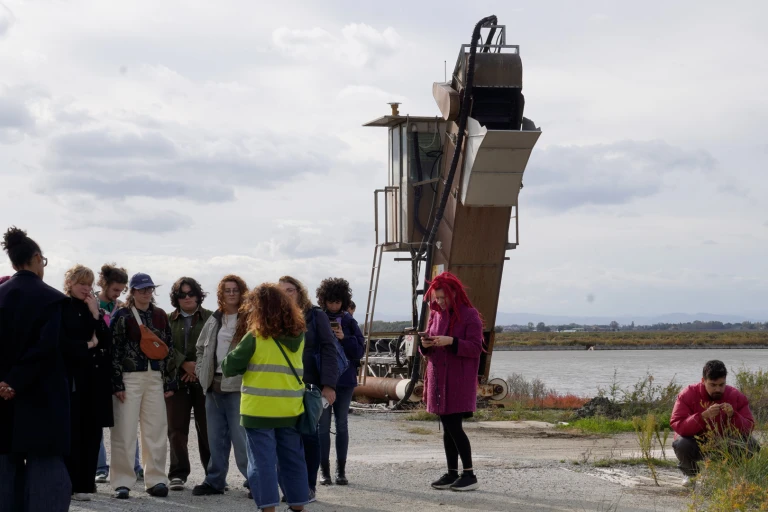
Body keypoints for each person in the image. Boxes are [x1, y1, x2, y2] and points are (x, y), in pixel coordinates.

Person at [0, 227, 71, 511]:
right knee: (46, 469)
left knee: (4, 467)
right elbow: (46, 348)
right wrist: (16, 381)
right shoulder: (52, 299)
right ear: (37, 258)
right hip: (43, 394)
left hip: (3, 397)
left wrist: (5, 382)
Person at [222, 283, 308, 512]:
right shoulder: (299, 335)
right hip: (290, 409)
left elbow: (229, 366)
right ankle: (298, 506)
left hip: (258, 410)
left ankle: (268, 508)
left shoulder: (255, 337)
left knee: (262, 462)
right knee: (292, 460)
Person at [110, 273, 176, 499]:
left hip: (155, 376)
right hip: (129, 378)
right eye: (141, 289)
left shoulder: (160, 315)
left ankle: (156, 480)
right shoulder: (122, 315)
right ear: (133, 291)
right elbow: (114, 350)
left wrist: (169, 381)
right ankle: (122, 482)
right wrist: (116, 383)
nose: (146, 292)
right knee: (124, 431)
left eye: (149, 288)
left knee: (156, 430)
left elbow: (169, 348)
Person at [419, 271, 483, 492]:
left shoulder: (470, 315)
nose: (439, 301)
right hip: (438, 379)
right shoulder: (435, 315)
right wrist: (424, 345)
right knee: (447, 427)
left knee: (454, 427)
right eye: (436, 298)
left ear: (454, 293)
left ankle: (469, 474)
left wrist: (451, 341)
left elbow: (476, 348)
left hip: (458, 381)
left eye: (443, 297)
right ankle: (452, 472)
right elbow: (428, 345)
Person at [278, 276, 339, 502]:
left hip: (310, 386)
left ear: (299, 291)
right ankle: (290, 487)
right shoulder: (274, 316)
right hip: (281, 386)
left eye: (290, 290)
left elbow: (329, 349)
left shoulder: (315, 315)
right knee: (284, 439)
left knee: (309, 436)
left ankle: (308, 486)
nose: (286, 294)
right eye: (281, 291)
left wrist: (329, 385)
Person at [193, 275, 250, 497]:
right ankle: (215, 481)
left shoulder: (249, 319)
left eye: (235, 289)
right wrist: (201, 372)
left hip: (238, 386)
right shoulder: (214, 319)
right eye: (227, 290)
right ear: (221, 294)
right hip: (213, 386)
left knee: (241, 439)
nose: (232, 293)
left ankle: (254, 481)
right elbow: (200, 348)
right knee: (215, 439)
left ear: (242, 292)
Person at [60, 265, 113, 501]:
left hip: (94, 379)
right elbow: (65, 342)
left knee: (92, 433)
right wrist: (88, 344)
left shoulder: (92, 307)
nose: (86, 288)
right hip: (72, 379)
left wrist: (95, 315)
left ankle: (86, 484)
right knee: (74, 433)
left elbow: (106, 341)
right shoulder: (62, 307)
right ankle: (71, 484)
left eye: (89, 284)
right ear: (70, 283)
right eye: (81, 283)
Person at [670, 360, 760, 487]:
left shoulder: (735, 396)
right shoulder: (688, 394)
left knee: (751, 443)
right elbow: (677, 424)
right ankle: (690, 474)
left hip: (725, 441)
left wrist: (733, 415)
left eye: (721, 385)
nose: (718, 389)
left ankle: (735, 475)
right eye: (713, 385)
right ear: (703, 381)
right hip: (697, 442)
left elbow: (749, 427)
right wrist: (702, 417)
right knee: (681, 443)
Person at [94, 263, 143, 484]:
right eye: (115, 290)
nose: (118, 294)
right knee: (96, 421)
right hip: (96, 369)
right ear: (104, 284)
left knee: (126, 420)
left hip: (119, 370)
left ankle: (134, 465)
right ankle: (100, 467)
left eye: (122, 290)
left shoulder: (122, 308)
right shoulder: (90, 303)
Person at [315, 278, 365, 486]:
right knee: (322, 426)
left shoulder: (349, 321)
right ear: (323, 300)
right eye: (330, 302)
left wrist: (344, 337)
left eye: (338, 302)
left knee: (342, 424)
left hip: (345, 381)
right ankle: (324, 471)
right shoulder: (317, 318)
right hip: (322, 381)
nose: (334, 306)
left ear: (343, 301)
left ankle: (341, 471)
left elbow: (359, 351)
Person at [166, 277, 212, 491]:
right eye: (182, 294)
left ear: (198, 295)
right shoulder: (167, 319)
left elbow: (215, 347)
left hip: (205, 382)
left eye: (191, 293)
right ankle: (178, 474)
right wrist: (184, 364)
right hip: (177, 380)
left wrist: (197, 369)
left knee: (208, 430)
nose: (187, 298)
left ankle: (213, 474)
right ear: (176, 298)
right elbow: (163, 346)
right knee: (176, 430)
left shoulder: (211, 318)